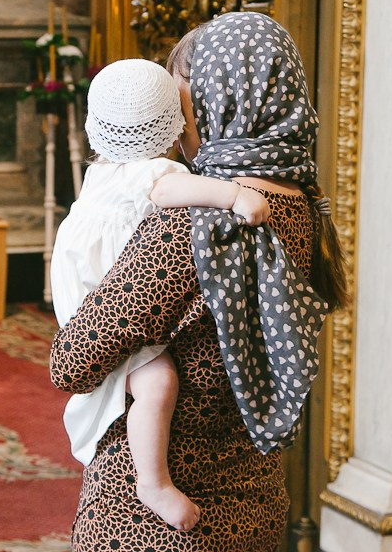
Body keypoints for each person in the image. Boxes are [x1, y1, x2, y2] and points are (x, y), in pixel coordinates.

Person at [49, 12, 348, 551]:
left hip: (153, 528)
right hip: (253, 509)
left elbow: (72, 362)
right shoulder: (302, 208)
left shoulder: (192, 222)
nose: (177, 124)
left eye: (181, 101)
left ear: (221, 100)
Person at [50, 58, 268, 532]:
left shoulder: (103, 173)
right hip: (100, 292)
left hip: (80, 287)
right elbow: (173, 191)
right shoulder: (155, 174)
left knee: (146, 381)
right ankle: (153, 484)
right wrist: (234, 196)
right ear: (175, 124)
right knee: (159, 382)